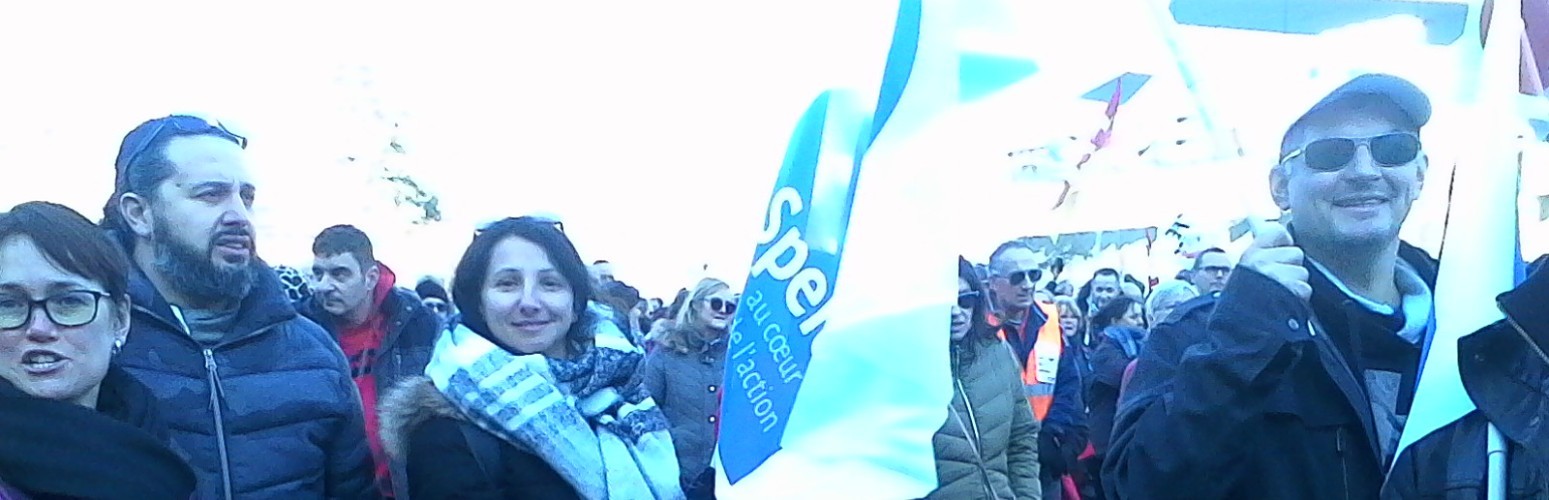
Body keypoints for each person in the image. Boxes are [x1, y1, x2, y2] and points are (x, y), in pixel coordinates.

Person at [1105, 73, 1549, 498]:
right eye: (1331, 154)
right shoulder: (1203, 333)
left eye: (1392, 149)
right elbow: (1141, 487)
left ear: (1419, 174)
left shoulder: (1492, 323)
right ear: (1281, 187)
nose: (1365, 171)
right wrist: (1246, 339)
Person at [100, 115, 374, 499]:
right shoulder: (85, 347)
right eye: (211, 194)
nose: (239, 217)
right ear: (138, 214)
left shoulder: (314, 353)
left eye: (246, 198)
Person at [380, 217, 682, 499]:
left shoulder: (622, 392)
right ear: (479, 304)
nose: (529, 302)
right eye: (507, 283)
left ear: (576, 303)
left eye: (550, 283)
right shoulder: (444, 430)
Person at [0, 202, 196, 499]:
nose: (39, 328)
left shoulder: (155, 442)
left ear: (120, 320)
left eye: (69, 301)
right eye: (8, 304)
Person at [297, 224, 441, 499]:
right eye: (318, 273)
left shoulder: (419, 324)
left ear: (370, 277)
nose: (324, 286)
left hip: (412, 483)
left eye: (339, 274)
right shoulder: (300, 332)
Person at [928, 257, 1041, 499]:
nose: (956, 312)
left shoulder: (998, 352)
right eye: (943, 303)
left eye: (965, 300)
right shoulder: (898, 367)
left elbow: (1022, 439)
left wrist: (1028, 496)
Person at [984, 240, 1085, 500]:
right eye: (1017, 277)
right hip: (997, 459)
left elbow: (1068, 384)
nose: (1028, 284)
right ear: (993, 283)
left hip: (1045, 455)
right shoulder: (978, 326)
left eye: (1034, 275)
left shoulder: (1050, 320)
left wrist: (1054, 435)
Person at [641, 278, 735, 499]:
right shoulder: (666, 352)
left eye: (730, 307)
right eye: (716, 303)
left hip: (725, 479)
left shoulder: (738, 355)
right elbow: (646, 408)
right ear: (696, 305)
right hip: (677, 476)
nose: (723, 310)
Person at [1081, 295, 1146, 500]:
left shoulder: (1142, 345)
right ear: (1115, 321)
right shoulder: (1106, 351)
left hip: (1128, 438)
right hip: (1107, 441)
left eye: (1141, 316)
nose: (1140, 322)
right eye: (1133, 317)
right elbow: (1133, 378)